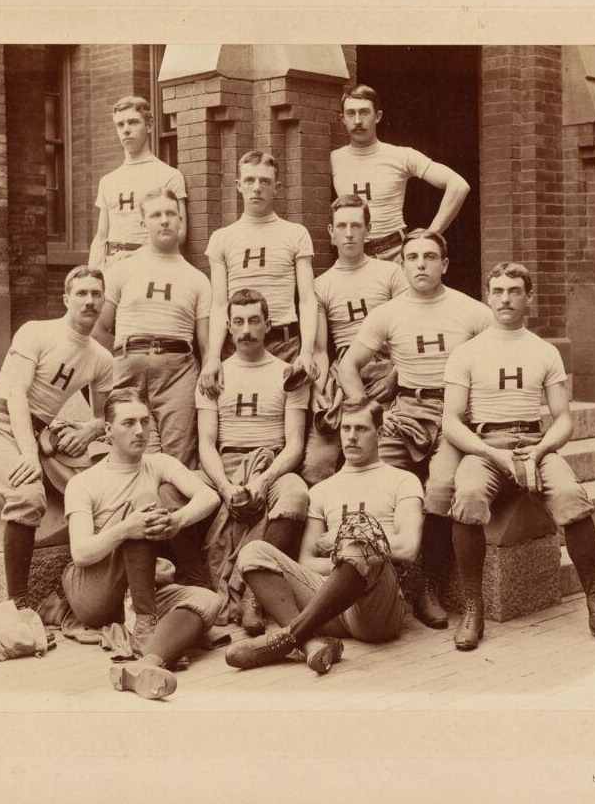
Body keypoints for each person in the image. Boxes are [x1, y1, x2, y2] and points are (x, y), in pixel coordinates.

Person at [442, 263, 595, 651]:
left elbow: (563, 419)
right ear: (487, 296)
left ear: (529, 297)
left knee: (572, 497)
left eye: (514, 291)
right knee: (468, 497)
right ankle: (474, 607)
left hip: (533, 443)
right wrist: (491, 453)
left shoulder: (544, 351)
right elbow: (451, 421)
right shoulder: (467, 352)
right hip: (486, 445)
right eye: (497, 291)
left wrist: (541, 449)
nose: (505, 298)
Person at [338, 229, 491, 629]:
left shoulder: (471, 311)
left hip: (453, 412)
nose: (421, 264)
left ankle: (426, 585)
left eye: (430, 257)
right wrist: (371, 411)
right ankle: (377, 578)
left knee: (441, 484)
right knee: (376, 478)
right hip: (404, 409)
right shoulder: (388, 313)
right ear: (402, 265)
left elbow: (503, 353)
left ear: (445, 263)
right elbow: (348, 365)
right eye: (412, 257)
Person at [226, 398, 422, 674]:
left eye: (361, 429)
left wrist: (350, 544)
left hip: (376, 608)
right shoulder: (322, 490)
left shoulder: (403, 480)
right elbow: (307, 560)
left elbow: (409, 548)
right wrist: (346, 560)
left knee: (359, 537)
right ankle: (312, 643)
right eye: (346, 428)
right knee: (253, 552)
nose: (351, 437)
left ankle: (287, 639)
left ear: (379, 433)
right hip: (329, 607)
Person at [0, 265, 114, 608]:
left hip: (39, 433)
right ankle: (17, 604)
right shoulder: (37, 332)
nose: (89, 301)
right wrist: (29, 455)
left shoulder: (101, 358)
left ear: (104, 301)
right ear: (66, 299)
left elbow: (103, 417)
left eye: (96, 294)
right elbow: (16, 393)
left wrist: (88, 429)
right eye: (81, 293)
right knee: (28, 495)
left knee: (109, 477)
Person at [62, 388, 222, 700]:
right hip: (94, 591)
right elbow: (80, 553)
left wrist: (177, 520)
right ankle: (147, 625)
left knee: (208, 600)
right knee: (146, 503)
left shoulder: (158, 462)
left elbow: (209, 496)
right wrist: (125, 528)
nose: (139, 431)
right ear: (108, 431)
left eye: (145, 422)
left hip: (140, 586)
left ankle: (147, 662)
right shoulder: (83, 483)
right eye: (128, 423)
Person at [195, 289, 311, 632]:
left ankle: (253, 593)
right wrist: (224, 485)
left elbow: (295, 445)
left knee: (296, 495)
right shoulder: (213, 375)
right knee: (171, 494)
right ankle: (200, 583)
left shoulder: (289, 373)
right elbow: (206, 444)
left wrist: (264, 480)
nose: (246, 330)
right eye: (239, 322)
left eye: (254, 321)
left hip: (272, 463)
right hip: (225, 465)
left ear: (268, 325)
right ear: (228, 326)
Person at [92, 187, 210, 469]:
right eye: (156, 215)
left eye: (171, 214)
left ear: (181, 220)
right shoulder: (122, 269)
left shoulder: (197, 279)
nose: (165, 220)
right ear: (143, 222)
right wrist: (124, 357)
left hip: (177, 373)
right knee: (132, 452)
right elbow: (99, 329)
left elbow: (205, 346)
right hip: (127, 369)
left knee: (179, 456)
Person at [302, 193, 409, 484]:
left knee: (385, 453)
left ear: (368, 229)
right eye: (341, 226)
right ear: (331, 232)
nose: (348, 233)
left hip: (385, 370)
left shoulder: (391, 273)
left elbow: (409, 333)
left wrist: (396, 377)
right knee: (316, 464)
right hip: (343, 376)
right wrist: (317, 390)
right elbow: (321, 350)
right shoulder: (321, 285)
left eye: (356, 225)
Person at [198, 150, 318, 400]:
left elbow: (307, 299)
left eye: (265, 181)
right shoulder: (222, 238)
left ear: (276, 188)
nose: (257, 188)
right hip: (237, 343)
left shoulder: (295, 233)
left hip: (284, 344)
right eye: (250, 180)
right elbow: (219, 304)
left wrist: (307, 351)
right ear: (238, 185)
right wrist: (213, 356)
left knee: (288, 413)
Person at [332, 84, 470, 262]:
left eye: (364, 112)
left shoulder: (401, 155)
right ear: (343, 119)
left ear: (378, 116)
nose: (357, 120)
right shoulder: (333, 160)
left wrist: (430, 236)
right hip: (353, 257)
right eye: (351, 113)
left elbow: (458, 185)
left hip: (396, 254)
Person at [88, 95, 187, 272]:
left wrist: (135, 255)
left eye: (133, 122)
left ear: (149, 125)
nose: (126, 130)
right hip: (113, 266)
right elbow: (101, 236)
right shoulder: (108, 181)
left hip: (151, 265)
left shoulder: (169, 175)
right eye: (120, 124)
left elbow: (179, 233)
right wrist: (92, 274)